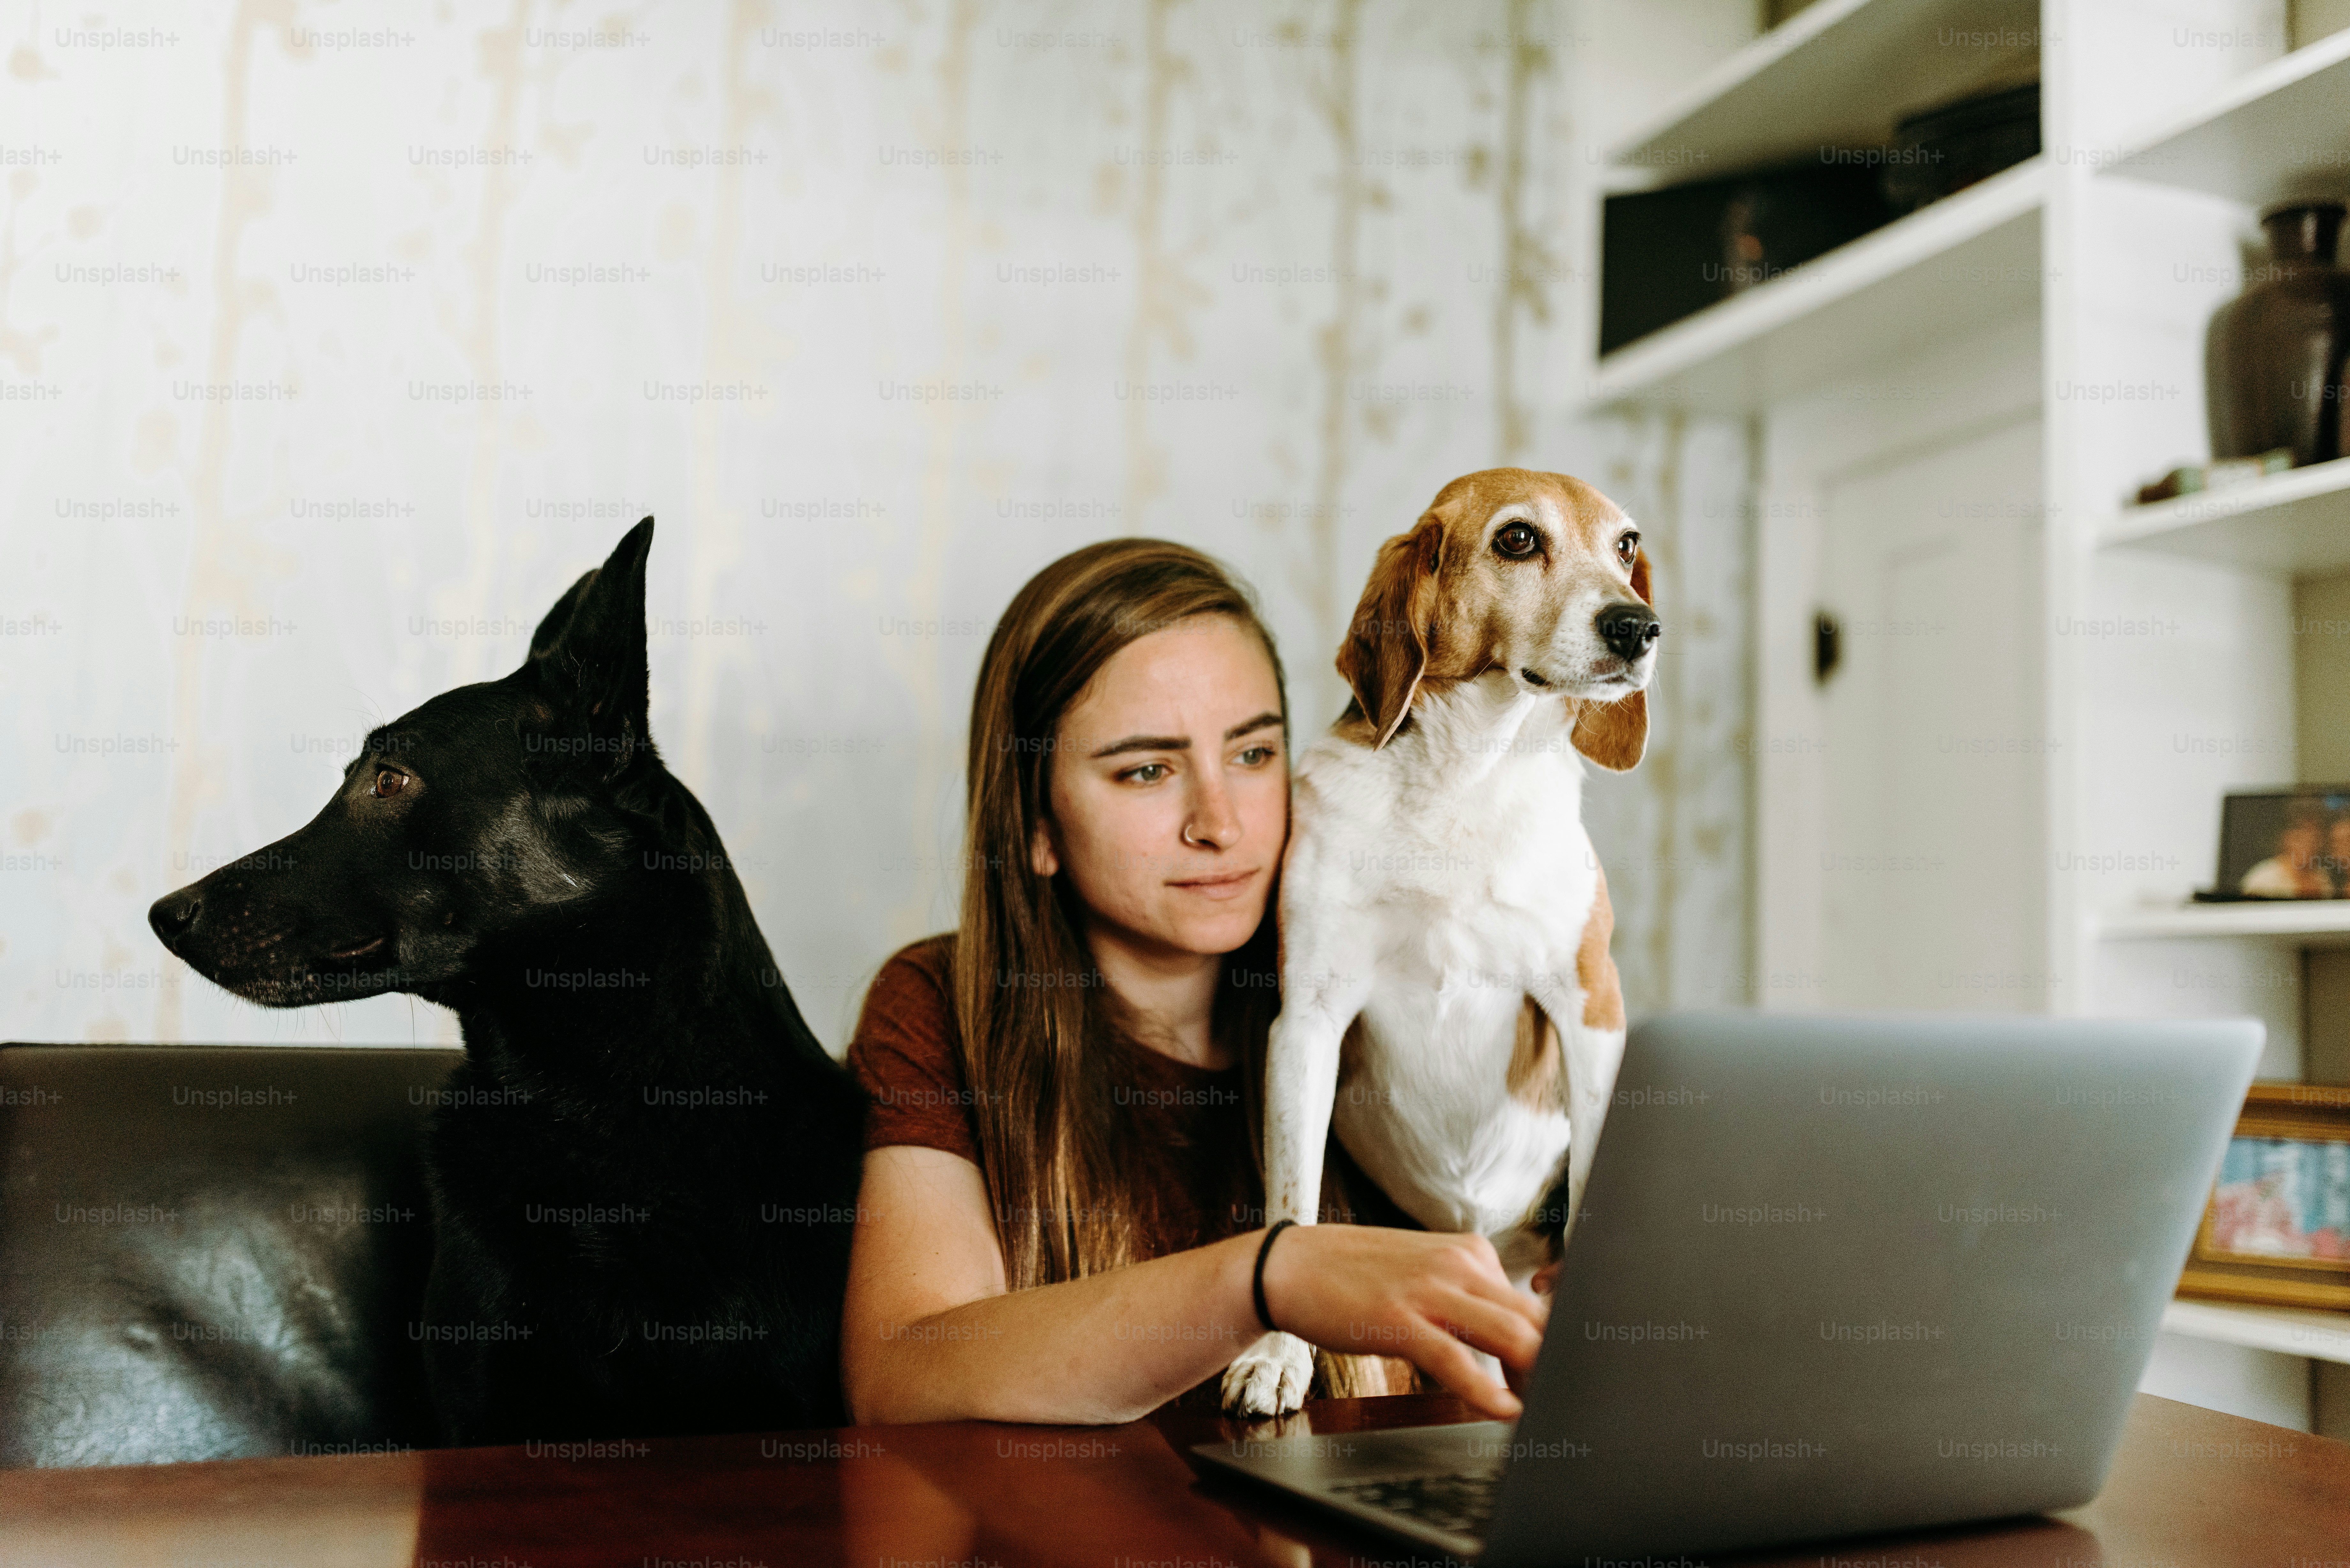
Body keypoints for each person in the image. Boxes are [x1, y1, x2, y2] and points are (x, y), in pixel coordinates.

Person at [838, 539, 1547, 1425]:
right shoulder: (944, 1003)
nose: (1220, 823)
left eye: (1253, 756)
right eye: (1147, 770)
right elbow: (905, 1374)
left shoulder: (1384, 995)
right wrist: (1267, 1277)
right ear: (1036, 824)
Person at [2240, 802, 2330, 898]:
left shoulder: (2322, 877)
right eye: (2301, 839)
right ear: (2287, 840)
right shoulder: (2264, 876)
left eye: (2315, 839)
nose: (2309, 846)